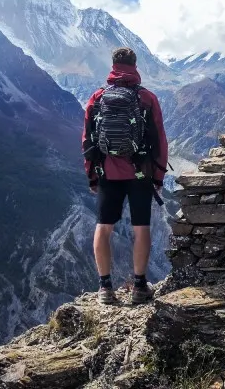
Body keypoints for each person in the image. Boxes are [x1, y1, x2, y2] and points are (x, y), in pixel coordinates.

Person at [82, 47, 168, 305]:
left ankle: (105, 288)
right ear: (135, 65)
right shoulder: (147, 98)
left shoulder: (97, 98)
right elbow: (160, 140)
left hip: (107, 171)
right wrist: (159, 176)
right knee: (141, 228)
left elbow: (87, 140)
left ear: (113, 65)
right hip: (140, 172)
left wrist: (92, 175)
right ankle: (139, 286)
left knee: (103, 227)